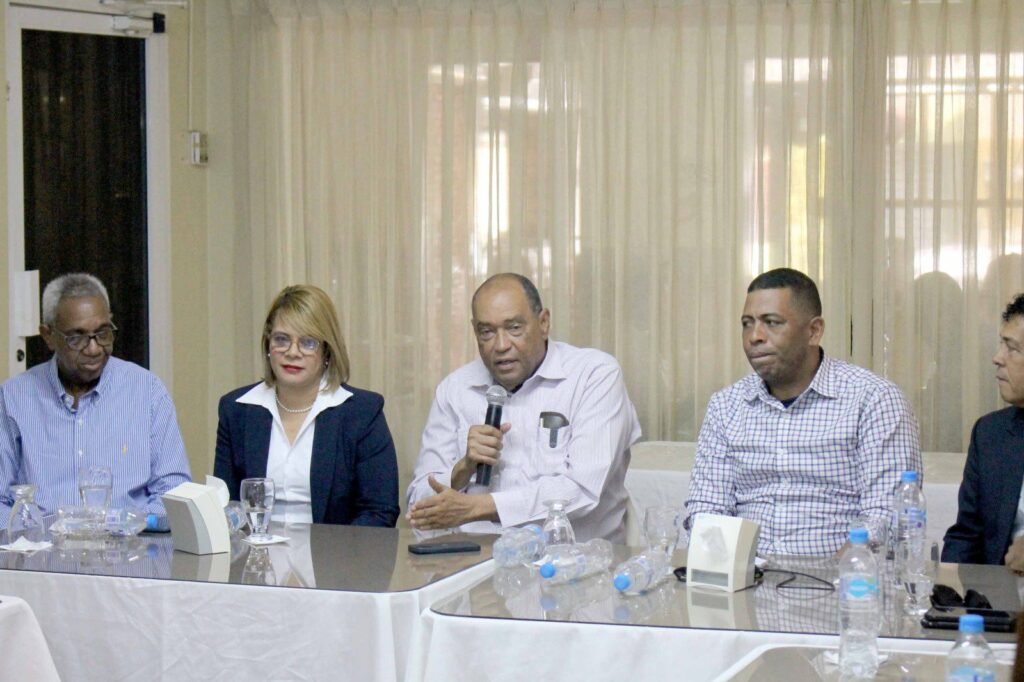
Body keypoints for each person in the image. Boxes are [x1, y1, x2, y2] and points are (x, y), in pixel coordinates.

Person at [685, 268, 921, 556]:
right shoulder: (726, 406)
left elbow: (886, 515)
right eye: (747, 324)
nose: (755, 336)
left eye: (772, 322)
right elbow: (707, 509)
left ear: (814, 331)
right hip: (747, 574)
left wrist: (835, 572)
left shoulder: (874, 400)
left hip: (840, 576)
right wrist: (730, 569)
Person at [406, 273, 641, 542]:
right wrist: (463, 469)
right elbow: (418, 505)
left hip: (573, 558)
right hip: (472, 558)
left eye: (514, 328)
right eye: (487, 332)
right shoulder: (455, 389)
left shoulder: (593, 375)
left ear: (543, 323)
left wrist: (477, 508)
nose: (501, 345)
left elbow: (583, 490)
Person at [0, 273, 191, 526]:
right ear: (48, 336)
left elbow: (174, 491)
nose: (94, 348)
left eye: (103, 333)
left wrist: (131, 526)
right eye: (76, 337)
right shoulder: (14, 398)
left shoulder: (147, 392)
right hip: (40, 545)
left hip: (130, 546)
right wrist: (34, 533)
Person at [214, 285, 399, 526]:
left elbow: (379, 512)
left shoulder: (362, 413)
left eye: (308, 342)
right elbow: (226, 507)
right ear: (268, 345)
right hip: (256, 549)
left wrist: (331, 550)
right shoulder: (237, 411)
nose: (293, 352)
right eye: (282, 340)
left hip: (335, 549)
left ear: (327, 351)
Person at [942, 293, 1024, 568]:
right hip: (998, 593)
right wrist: (949, 589)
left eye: (1013, 349)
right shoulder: (991, 434)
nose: (997, 358)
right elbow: (966, 536)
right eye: (1002, 345)